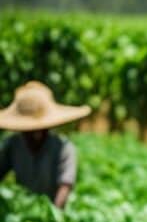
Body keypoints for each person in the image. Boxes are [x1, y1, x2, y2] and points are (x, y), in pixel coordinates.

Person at [0, 81, 90, 209]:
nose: (36, 135)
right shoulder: (12, 144)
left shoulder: (63, 148)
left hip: (54, 210)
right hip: (23, 208)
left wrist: (53, 216)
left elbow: (65, 186)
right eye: (29, 131)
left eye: (41, 129)